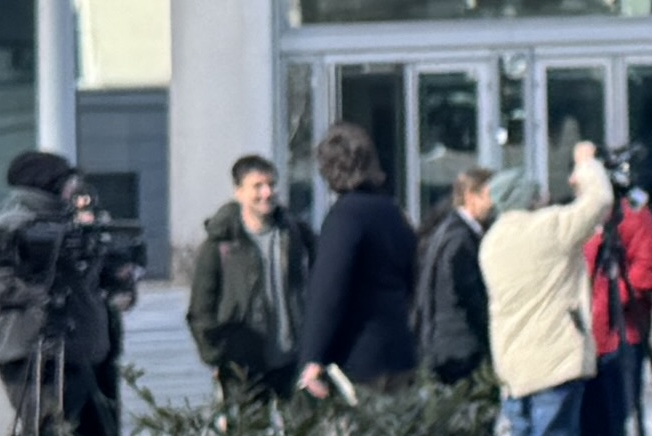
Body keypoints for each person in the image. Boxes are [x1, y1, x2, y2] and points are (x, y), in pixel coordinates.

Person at [0, 149, 135, 436]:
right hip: (35, 353)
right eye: (68, 183)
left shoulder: (76, 224)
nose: (74, 190)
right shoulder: (14, 225)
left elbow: (98, 284)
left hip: (85, 353)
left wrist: (116, 275)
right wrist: (42, 294)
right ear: (47, 184)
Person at [479, 143, 622, 436]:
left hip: (513, 365)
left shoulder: (492, 241)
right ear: (528, 198)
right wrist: (585, 164)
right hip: (554, 360)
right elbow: (599, 201)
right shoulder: (547, 228)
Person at [296, 121, 419, 400]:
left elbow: (329, 292)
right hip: (399, 350)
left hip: (358, 357)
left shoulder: (344, 218)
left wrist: (313, 357)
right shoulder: (393, 212)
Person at [184, 153, 306, 410]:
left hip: (291, 361)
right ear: (239, 192)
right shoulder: (221, 244)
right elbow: (200, 309)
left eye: (271, 185)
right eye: (257, 186)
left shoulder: (293, 234)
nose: (267, 193)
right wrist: (217, 356)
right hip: (242, 367)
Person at [580, 167, 652, 436]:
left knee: (617, 419)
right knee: (589, 426)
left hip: (622, 336)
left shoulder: (631, 217)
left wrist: (613, 296)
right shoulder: (586, 221)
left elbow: (651, 265)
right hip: (589, 339)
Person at [412, 164, 498, 391]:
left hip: (446, 343)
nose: (494, 204)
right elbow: (467, 293)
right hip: (459, 346)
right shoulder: (460, 239)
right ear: (471, 196)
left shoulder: (447, 232)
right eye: (490, 195)